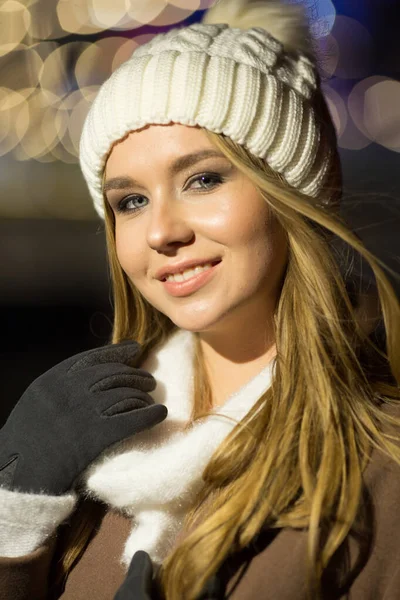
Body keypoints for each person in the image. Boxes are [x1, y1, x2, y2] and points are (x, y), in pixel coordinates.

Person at [0, 0, 399, 598]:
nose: (161, 232)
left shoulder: (380, 476)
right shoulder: (87, 447)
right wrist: (14, 518)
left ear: (292, 193)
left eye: (203, 179)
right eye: (130, 201)